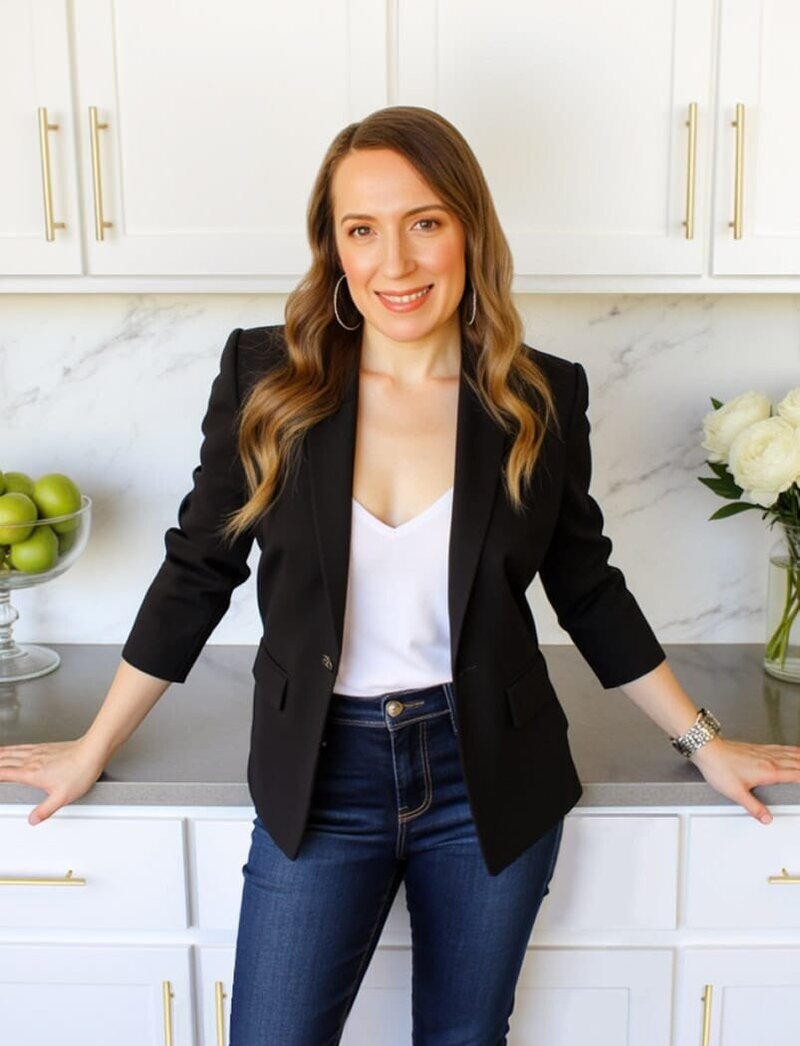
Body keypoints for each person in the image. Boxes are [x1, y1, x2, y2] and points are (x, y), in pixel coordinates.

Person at [2, 105, 800, 1045]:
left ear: (468, 227)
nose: (397, 262)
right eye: (362, 230)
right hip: (319, 774)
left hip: (490, 776)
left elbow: (586, 586)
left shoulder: (539, 395)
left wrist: (706, 740)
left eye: (425, 222)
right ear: (333, 248)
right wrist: (92, 745)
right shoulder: (268, 379)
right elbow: (196, 571)